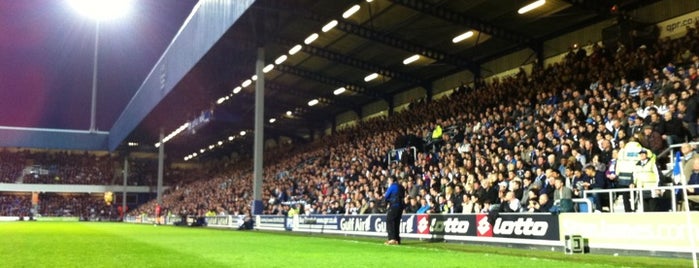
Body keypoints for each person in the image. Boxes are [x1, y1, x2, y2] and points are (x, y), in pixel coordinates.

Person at [384, 176, 405, 245]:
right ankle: (397, 239)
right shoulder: (401, 187)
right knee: (397, 222)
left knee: (390, 220)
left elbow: (386, 196)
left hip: (394, 205)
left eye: (389, 180)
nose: (388, 182)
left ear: (391, 180)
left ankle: (392, 238)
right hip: (401, 206)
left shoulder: (393, 186)